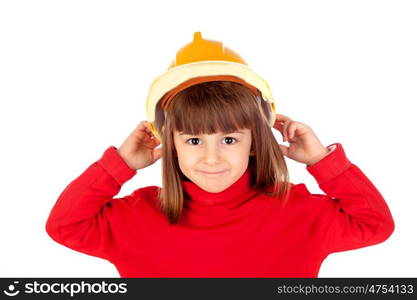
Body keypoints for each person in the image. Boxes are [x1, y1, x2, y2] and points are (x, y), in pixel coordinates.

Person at [45, 34, 395, 278]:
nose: (211, 159)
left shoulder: (299, 213)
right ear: (170, 144)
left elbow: (376, 225)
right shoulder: (135, 218)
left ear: (255, 142)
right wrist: (118, 167)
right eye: (194, 140)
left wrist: (323, 161)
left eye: (229, 139)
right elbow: (64, 227)